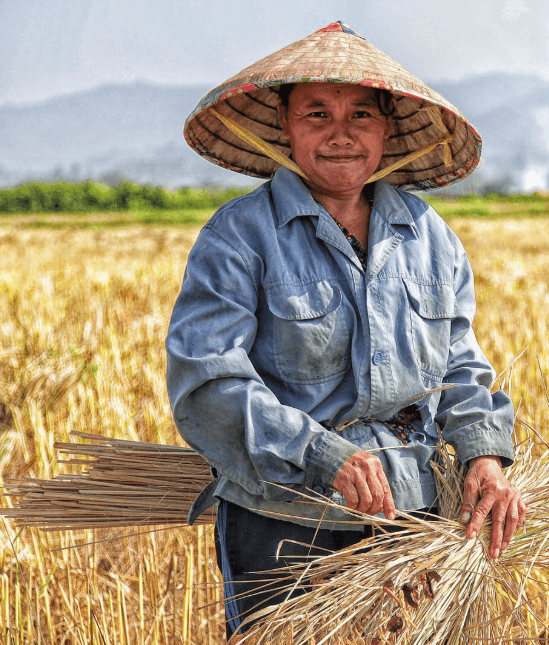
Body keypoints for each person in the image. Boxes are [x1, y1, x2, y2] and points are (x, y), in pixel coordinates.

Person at [166, 21, 526, 636]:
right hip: (284, 518)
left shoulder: (429, 236)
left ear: (387, 129)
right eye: (316, 114)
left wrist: (484, 456)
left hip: (412, 512)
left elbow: (460, 366)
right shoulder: (239, 237)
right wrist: (322, 453)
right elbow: (207, 382)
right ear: (286, 127)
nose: (341, 134)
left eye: (361, 114)